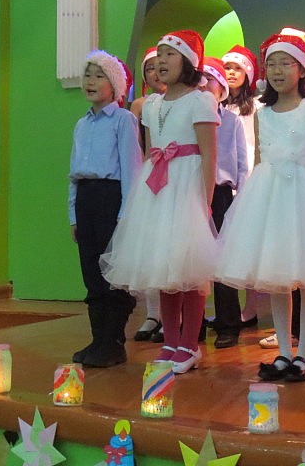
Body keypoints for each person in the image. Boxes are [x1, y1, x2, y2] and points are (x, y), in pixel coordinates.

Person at [101, 30, 220, 374]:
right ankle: (170, 340)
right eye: (159, 55)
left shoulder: (201, 100)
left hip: (186, 187)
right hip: (157, 189)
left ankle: (190, 344)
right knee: (164, 267)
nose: (162, 61)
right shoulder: (151, 105)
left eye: (170, 54)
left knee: (189, 269)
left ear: (189, 62)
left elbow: (209, 154)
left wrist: (205, 200)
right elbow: (151, 151)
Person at [215, 33, 305, 381]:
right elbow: (259, 160)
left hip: (304, 196)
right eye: (272, 64)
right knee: (278, 277)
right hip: (271, 197)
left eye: (286, 63)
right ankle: (283, 350)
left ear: (303, 69)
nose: (278, 71)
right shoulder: (263, 113)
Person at [67, 50, 143, 367]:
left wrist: (126, 215)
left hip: (110, 198)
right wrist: (73, 214)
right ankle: (98, 339)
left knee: (114, 274)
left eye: (100, 76)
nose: (91, 81)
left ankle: (113, 341)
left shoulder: (123, 120)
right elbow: (73, 173)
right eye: (88, 75)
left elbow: (132, 169)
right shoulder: (81, 124)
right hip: (86, 199)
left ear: (115, 85)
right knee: (92, 273)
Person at [200, 57, 249, 349]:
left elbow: (241, 162)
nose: (204, 85)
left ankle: (228, 323)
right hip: (193, 190)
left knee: (223, 259)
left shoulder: (231, 121)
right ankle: (192, 325)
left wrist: (241, 198)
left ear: (222, 88)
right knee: (192, 257)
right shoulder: (190, 117)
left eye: (210, 80)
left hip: (221, 193)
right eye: (200, 80)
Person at [222, 44, 263, 328]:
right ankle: (228, 307)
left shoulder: (256, 105)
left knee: (248, 245)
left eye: (237, 68)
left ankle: (251, 307)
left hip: (249, 175)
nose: (231, 73)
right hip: (226, 175)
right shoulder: (218, 106)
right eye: (227, 68)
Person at [129, 46, 165, 344]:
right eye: (149, 68)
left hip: (177, 175)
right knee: (150, 248)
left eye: (160, 65)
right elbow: (138, 146)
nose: (156, 72)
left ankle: (176, 316)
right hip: (149, 175)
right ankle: (153, 313)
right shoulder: (141, 105)